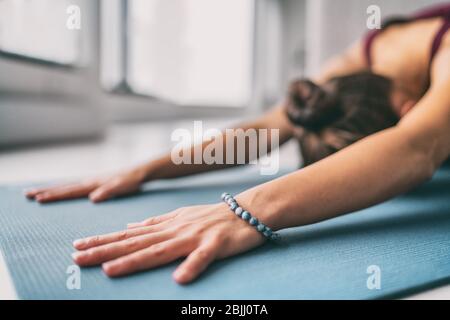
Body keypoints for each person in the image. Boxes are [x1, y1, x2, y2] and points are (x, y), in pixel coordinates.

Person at [25, 4, 450, 284]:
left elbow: (416, 147)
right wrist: (146, 170)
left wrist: (247, 213)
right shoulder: (357, 63)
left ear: (409, 111)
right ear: (411, 106)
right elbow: (268, 127)